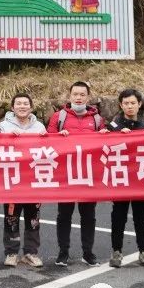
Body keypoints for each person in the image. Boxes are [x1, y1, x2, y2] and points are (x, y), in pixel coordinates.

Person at [48, 81, 105, 267]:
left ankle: (88, 252)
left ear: (88, 97)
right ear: (70, 95)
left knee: (88, 215)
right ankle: (63, 252)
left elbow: (104, 145)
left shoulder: (97, 119)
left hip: (89, 174)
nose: (78, 97)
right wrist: (58, 137)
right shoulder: (59, 117)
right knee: (64, 214)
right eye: (75, 94)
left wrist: (105, 136)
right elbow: (47, 141)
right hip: (65, 173)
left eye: (82, 94)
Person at [104, 89, 144, 269]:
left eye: (133, 103)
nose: (129, 106)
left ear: (139, 104)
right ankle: (116, 251)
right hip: (121, 178)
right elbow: (103, 145)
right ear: (121, 105)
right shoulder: (113, 126)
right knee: (118, 217)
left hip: (141, 178)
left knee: (142, 218)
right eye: (126, 103)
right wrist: (116, 135)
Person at [0, 93, 47, 269]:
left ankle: (30, 253)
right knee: (11, 217)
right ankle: (11, 252)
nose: (22, 106)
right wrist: (6, 137)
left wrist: (48, 138)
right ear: (12, 107)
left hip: (34, 179)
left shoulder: (39, 126)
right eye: (18, 103)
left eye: (26, 103)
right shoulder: (3, 126)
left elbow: (48, 150)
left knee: (33, 218)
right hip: (12, 179)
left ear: (31, 107)